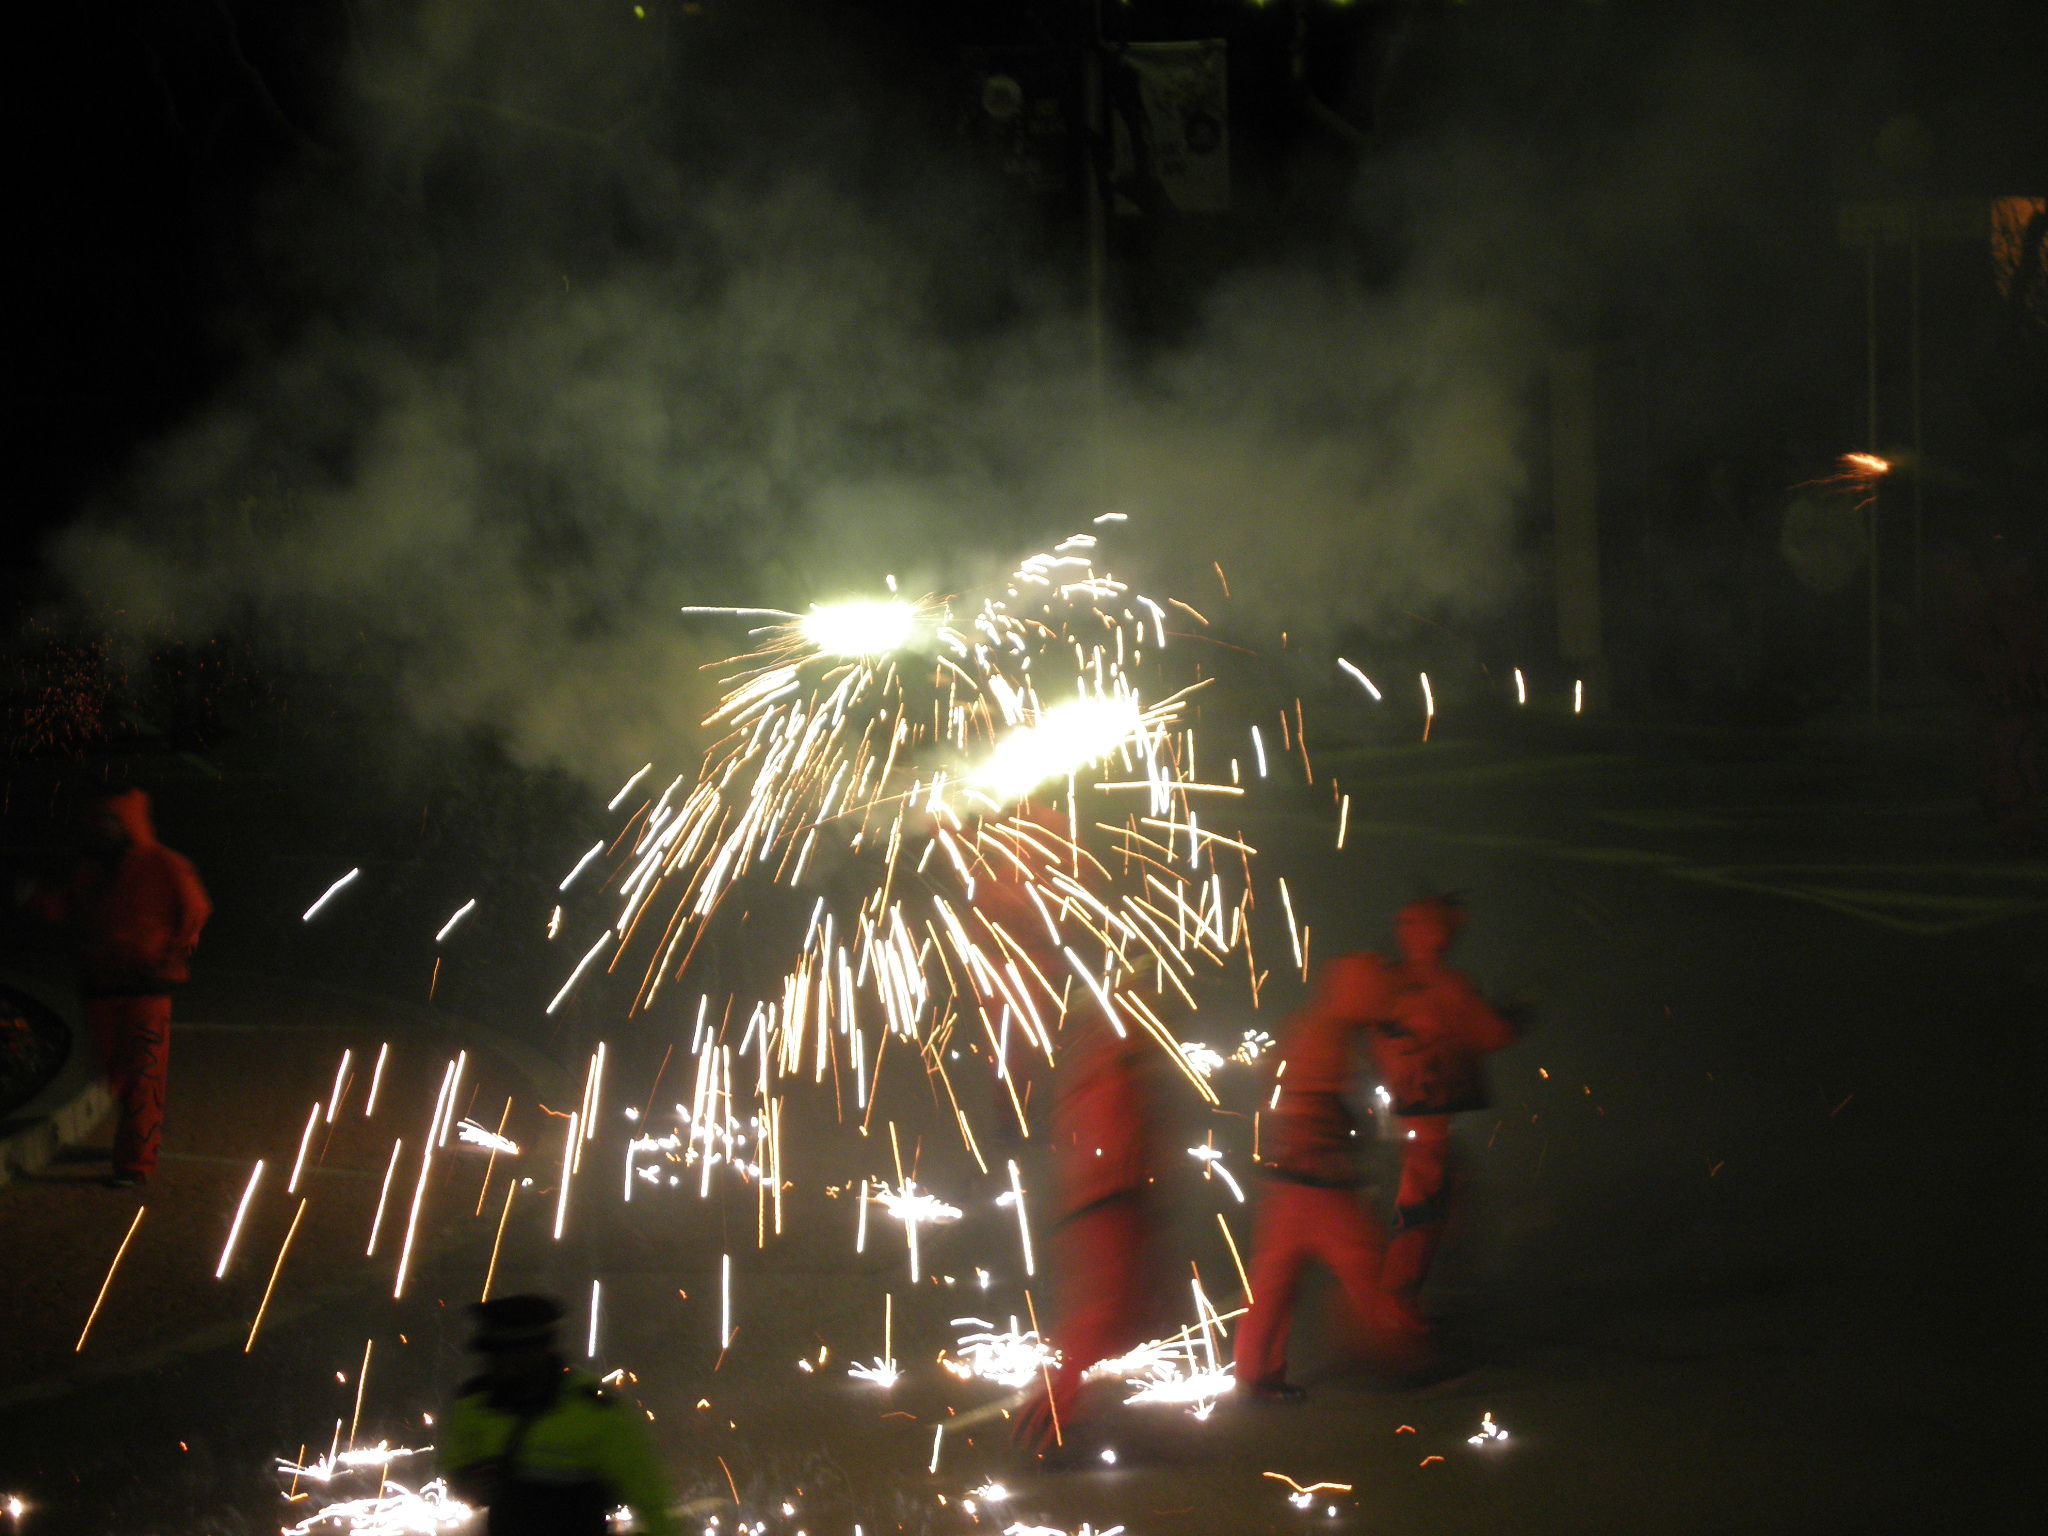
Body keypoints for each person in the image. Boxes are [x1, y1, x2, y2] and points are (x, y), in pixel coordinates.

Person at [1232, 953, 1428, 1400]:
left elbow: (1284, 1098)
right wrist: (1348, 1143)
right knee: (1370, 1272)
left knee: (1273, 1286)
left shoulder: (1305, 1026)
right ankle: (1407, 1357)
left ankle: (1256, 1374)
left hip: (1285, 1183)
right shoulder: (1328, 1037)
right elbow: (1316, 1103)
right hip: (1318, 1184)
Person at [30, 784, 210, 1189]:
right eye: (98, 821)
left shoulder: (163, 864)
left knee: (144, 1074)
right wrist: (39, 900)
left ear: (128, 822)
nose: (101, 828)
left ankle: (135, 1162)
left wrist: (169, 952)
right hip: (102, 986)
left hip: (147, 989)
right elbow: (70, 910)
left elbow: (195, 910)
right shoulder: (90, 870)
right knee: (115, 1072)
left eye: (110, 821)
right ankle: (134, 1146)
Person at [1012, 1008, 1167, 1456]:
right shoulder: (1111, 1078)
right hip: (1106, 1207)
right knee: (1096, 1325)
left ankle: (1050, 1417)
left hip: (1103, 1205)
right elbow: (1117, 1141)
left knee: (1107, 1321)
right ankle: (1044, 1424)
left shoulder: (1100, 1073)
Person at [1373, 896, 1519, 1307]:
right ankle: (1396, 1300)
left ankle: (1413, 1286)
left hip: (1406, 1108)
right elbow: (1491, 1034)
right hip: (1429, 1109)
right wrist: (1514, 1018)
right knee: (1424, 1200)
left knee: (1432, 1191)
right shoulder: (1450, 985)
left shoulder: (1390, 981)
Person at [440, 1295, 674, 1536]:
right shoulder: (475, 1404)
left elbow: (647, 1493)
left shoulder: (592, 1409)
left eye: (507, 1354)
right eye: (495, 1354)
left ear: (536, 1351)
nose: (497, 1364)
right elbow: (457, 1468)